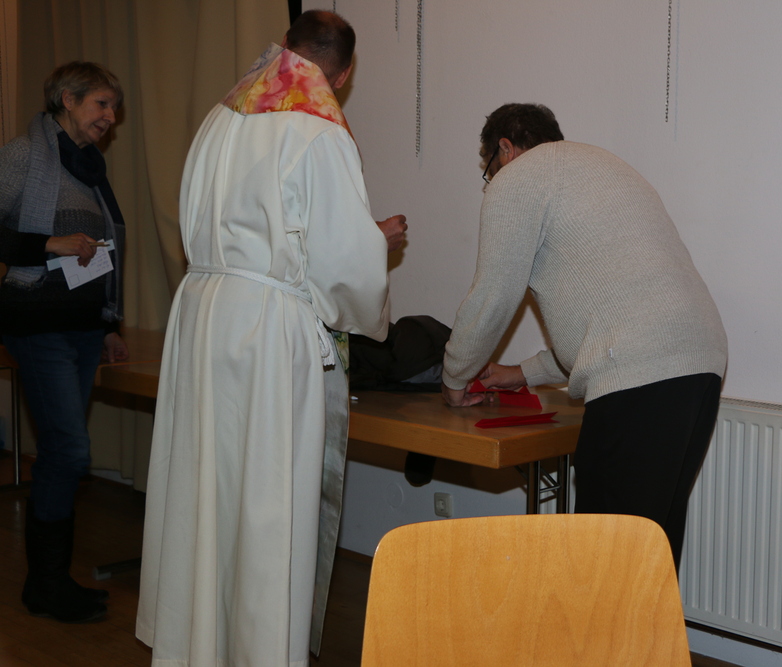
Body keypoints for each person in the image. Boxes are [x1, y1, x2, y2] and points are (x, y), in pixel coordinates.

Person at [135, 11, 406, 666]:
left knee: (206, 490)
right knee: (267, 497)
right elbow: (341, 263)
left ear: (285, 47)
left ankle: (197, 644)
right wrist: (376, 249)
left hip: (202, 313)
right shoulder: (318, 126)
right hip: (266, 326)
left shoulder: (221, 115)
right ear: (343, 73)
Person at [442, 103, 727, 568]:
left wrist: (455, 377)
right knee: (649, 555)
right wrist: (522, 373)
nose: (492, 180)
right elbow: (605, 318)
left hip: (640, 375)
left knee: (602, 563)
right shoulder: (604, 168)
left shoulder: (521, 178)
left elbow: (493, 297)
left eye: (489, 169)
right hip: (699, 363)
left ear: (505, 148)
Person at [0, 61, 128, 623]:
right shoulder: (24, 156)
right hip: (36, 323)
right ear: (68, 99)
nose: (110, 116)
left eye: (114, 107)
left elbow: (100, 254)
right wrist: (49, 243)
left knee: (60, 453)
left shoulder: (90, 168)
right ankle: (46, 585)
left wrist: (109, 326)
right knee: (71, 451)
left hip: (81, 328)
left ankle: (49, 584)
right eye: (102, 103)